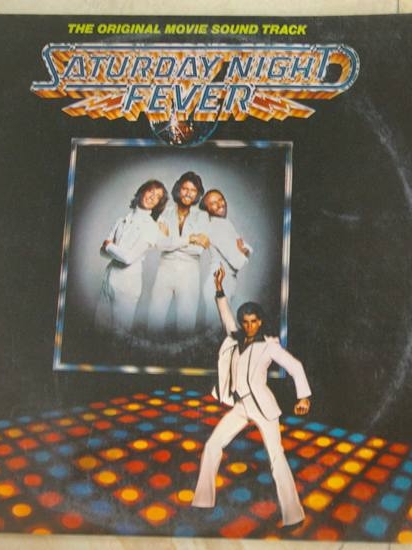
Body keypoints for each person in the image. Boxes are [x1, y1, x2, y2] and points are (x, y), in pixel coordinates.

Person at [192, 267, 312, 526]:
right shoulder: (235, 340)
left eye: (253, 321)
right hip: (240, 406)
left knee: (276, 457)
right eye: (245, 322)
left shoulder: (268, 346)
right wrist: (219, 289)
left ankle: (294, 516)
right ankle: (202, 503)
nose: (249, 326)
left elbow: (295, 366)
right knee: (212, 445)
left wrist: (303, 397)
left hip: (264, 408)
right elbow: (225, 316)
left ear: (260, 322)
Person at [94, 179, 168, 336]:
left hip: (127, 285)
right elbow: (101, 252)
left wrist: (109, 246)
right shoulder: (121, 221)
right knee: (99, 329)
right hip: (108, 279)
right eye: (151, 192)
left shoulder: (151, 227)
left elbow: (128, 258)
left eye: (157, 197)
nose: (152, 197)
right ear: (142, 191)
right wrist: (110, 248)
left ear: (158, 204)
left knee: (120, 334)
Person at [147, 171, 210, 335]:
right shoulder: (165, 212)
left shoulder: (202, 216)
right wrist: (191, 238)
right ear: (178, 189)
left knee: (186, 324)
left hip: (190, 273)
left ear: (197, 194)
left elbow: (198, 249)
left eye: (193, 190)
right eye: (185, 188)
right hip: (164, 270)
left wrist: (171, 241)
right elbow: (160, 244)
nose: (188, 193)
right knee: (154, 320)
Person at [198, 189, 252, 328]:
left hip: (227, 281)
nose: (219, 204)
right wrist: (243, 252)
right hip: (219, 283)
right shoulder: (216, 227)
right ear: (207, 209)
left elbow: (246, 248)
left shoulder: (225, 223)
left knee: (223, 330)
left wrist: (243, 251)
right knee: (218, 330)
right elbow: (237, 261)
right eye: (213, 203)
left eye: (220, 199)